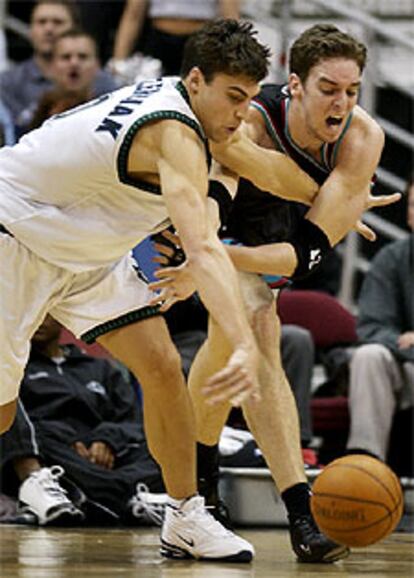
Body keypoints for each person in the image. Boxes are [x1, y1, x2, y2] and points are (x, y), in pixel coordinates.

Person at [0, 18, 325, 563]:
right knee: (2, 415)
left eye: (249, 98)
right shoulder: (173, 132)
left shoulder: (209, 119)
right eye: (233, 97)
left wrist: (340, 199)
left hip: (87, 251)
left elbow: (267, 168)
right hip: (17, 235)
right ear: (195, 80)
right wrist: (244, 344)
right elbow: (203, 249)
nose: (242, 112)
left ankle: (185, 516)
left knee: (161, 364)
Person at [149, 23, 399, 563]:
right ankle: (299, 510)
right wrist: (205, 253)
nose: (343, 102)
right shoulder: (250, 121)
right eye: (329, 89)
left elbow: (303, 253)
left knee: (235, 341)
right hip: (219, 214)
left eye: (352, 91)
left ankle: (201, 490)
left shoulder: (362, 139)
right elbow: (217, 191)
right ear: (295, 86)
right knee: (258, 326)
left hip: (276, 235)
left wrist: (221, 260)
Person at [0, 315, 164, 526]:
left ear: (62, 317)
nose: (38, 319)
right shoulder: (12, 366)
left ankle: (101, 499)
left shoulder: (102, 368)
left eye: (45, 313)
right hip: (52, 450)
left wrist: (106, 440)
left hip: (104, 456)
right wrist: (66, 440)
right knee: (27, 439)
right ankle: (130, 500)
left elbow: (132, 421)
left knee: (167, 446)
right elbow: (18, 424)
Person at [346, 178, 414, 462]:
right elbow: (372, 327)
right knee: (369, 356)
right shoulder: (391, 258)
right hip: (408, 366)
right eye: (412, 204)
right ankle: (365, 465)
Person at [0, 0, 116, 134]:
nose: (49, 29)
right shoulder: (8, 82)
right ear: (31, 29)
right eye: (42, 22)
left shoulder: (104, 83)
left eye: (58, 22)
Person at [111, 0, 240, 77]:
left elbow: (230, 16)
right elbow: (133, 14)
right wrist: (119, 59)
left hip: (199, 41)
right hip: (159, 41)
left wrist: (233, 57)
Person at [29, 28, 101, 129]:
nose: (74, 63)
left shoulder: (109, 109)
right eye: (66, 57)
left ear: (96, 66)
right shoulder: (39, 114)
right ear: (51, 67)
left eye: (83, 57)